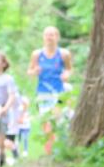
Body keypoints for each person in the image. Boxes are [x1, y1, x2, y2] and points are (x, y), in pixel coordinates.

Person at [27, 25, 73, 155]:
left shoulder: (64, 54)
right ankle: (49, 154)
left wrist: (67, 74)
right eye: (47, 34)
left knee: (55, 123)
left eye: (52, 35)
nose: (49, 37)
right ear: (43, 37)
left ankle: (55, 152)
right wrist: (34, 71)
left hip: (58, 93)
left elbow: (69, 69)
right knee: (46, 126)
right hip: (42, 93)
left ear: (57, 37)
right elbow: (29, 71)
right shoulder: (37, 54)